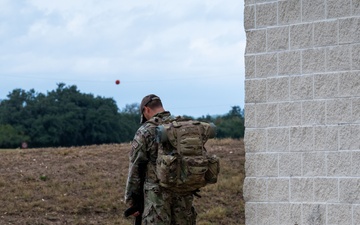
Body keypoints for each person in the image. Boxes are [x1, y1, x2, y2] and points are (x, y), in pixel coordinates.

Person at [125, 94, 197, 225]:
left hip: (157, 201)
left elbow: (135, 167)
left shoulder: (145, 131)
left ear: (146, 110)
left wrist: (132, 201)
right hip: (183, 197)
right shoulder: (181, 126)